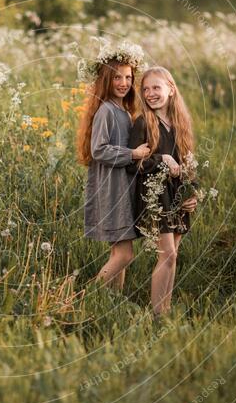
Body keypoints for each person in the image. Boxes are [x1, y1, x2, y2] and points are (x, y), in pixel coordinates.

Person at [127, 66, 199, 318]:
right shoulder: (142, 122)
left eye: (156, 87)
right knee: (166, 254)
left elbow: (188, 164)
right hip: (153, 196)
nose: (150, 93)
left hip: (177, 195)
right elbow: (134, 163)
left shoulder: (180, 123)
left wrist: (193, 192)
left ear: (171, 88)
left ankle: (165, 310)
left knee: (173, 256)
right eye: (145, 89)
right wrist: (163, 159)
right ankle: (157, 315)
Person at [78, 44, 151, 292]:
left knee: (119, 251)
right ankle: (87, 296)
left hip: (122, 187)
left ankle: (113, 299)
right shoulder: (106, 110)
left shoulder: (123, 111)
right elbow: (98, 149)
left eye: (128, 77)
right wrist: (132, 153)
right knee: (125, 254)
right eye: (117, 77)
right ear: (106, 79)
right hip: (111, 189)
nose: (123, 82)